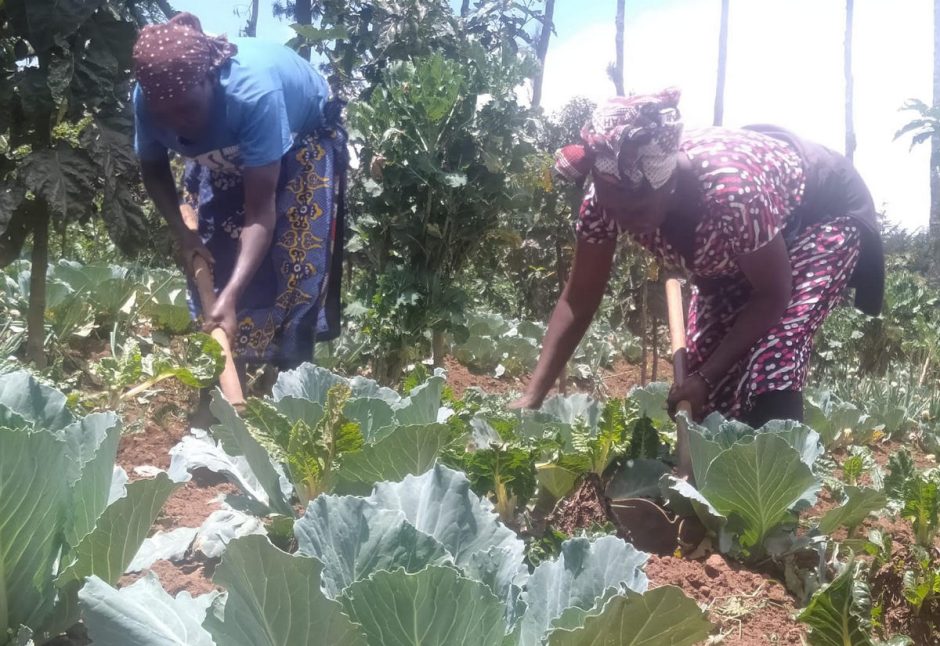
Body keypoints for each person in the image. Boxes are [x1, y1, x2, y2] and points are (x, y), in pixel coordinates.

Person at [513, 88, 884, 436]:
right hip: (748, 246)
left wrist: (706, 377)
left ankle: (778, 485)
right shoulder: (606, 200)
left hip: (821, 215)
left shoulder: (732, 193)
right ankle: (718, 479)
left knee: (774, 349)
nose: (624, 219)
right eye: (615, 207)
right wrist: (532, 396)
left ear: (667, 183)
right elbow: (579, 299)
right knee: (703, 370)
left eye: (637, 208)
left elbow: (773, 293)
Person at [132, 12, 347, 375]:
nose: (175, 122)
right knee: (214, 250)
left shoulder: (252, 95)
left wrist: (230, 297)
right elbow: (153, 168)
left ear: (211, 80)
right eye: (163, 115)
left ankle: (289, 378)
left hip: (300, 138)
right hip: (225, 149)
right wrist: (184, 235)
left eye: (186, 109)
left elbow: (260, 214)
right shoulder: (150, 98)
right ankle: (225, 368)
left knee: (293, 256)